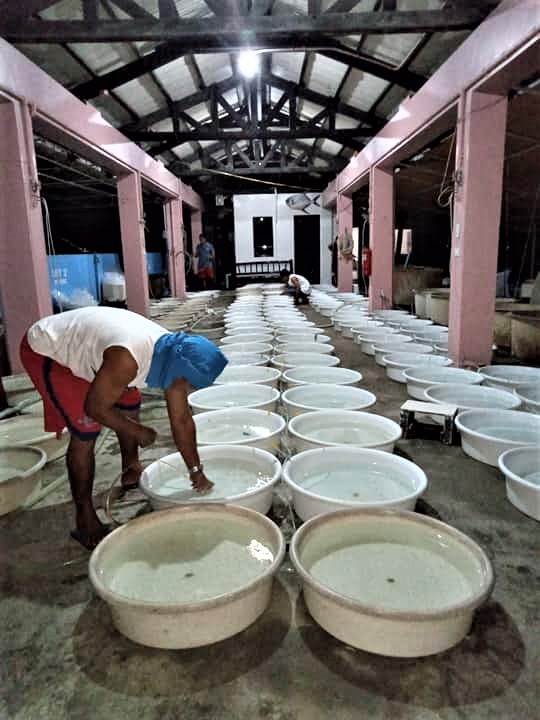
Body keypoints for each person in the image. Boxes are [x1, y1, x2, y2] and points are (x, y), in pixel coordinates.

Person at [19, 306, 228, 550]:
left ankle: (131, 468)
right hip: (48, 350)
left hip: (97, 349)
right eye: (191, 385)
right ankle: (85, 517)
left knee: (130, 402)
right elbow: (94, 408)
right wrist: (137, 431)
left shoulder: (171, 357)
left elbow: (182, 421)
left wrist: (196, 470)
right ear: (181, 373)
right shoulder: (128, 360)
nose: (190, 391)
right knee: (86, 431)